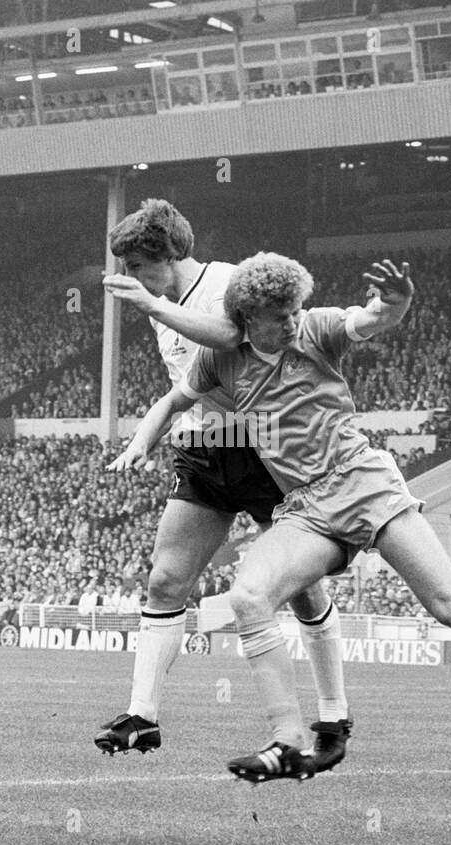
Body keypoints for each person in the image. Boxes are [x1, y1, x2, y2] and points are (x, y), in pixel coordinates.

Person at [111, 253, 451, 784]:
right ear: (248, 319)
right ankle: (290, 742)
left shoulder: (318, 328)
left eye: (296, 308)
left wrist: (395, 302)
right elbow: (172, 400)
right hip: (305, 506)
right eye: (281, 315)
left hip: (365, 486)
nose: (293, 320)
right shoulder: (218, 359)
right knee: (249, 597)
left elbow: (370, 319)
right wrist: (142, 441)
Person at [95, 200, 351, 772]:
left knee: (304, 589)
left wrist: (154, 304)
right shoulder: (158, 299)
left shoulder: (227, 283)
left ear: (172, 254)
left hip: (263, 450)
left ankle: (332, 713)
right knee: (165, 580)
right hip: (205, 451)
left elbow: (230, 336)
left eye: (140, 264)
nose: (134, 277)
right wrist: (144, 440)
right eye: (130, 268)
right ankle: (143, 715)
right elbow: (181, 387)